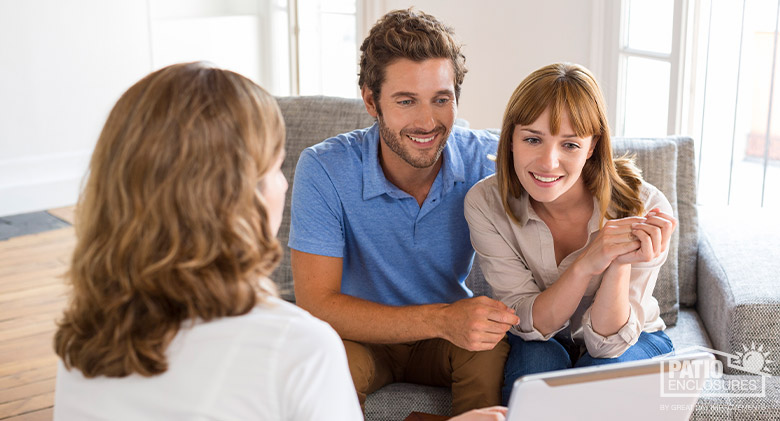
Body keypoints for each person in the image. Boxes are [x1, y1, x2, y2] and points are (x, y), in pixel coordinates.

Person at [52, 62, 363, 420]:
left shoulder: (82, 342)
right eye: (276, 167)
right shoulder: (299, 348)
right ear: (241, 198)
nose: (285, 184)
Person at [289, 8, 518, 414]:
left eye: (441, 100)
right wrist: (442, 319)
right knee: (320, 366)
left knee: (489, 348)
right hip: (358, 339)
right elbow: (317, 304)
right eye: (406, 101)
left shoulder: (486, 161)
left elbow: (575, 168)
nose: (427, 121)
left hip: (446, 345)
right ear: (371, 101)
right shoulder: (324, 168)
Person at [464, 62, 678, 404]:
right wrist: (587, 263)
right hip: (540, 338)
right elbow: (528, 323)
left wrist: (619, 263)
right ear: (510, 141)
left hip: (630, 338)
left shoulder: (646, 206)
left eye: (570, 145)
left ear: (592, 147)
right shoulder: (485, 204)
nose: (548, 162)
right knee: (536, 364)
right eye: (533, 139)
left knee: (600, 374)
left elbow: (608, 344)